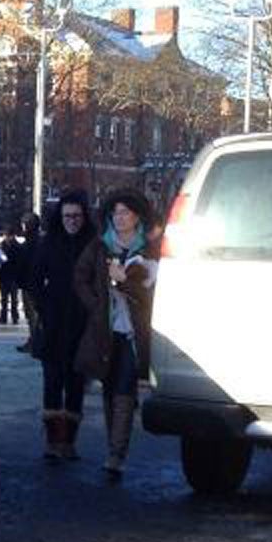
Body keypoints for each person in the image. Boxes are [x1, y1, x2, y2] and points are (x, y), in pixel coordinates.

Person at [73, 190, 159, 481]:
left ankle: (116, 454)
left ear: (136, 217)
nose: (119, 218)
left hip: (133, 333)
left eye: (125, 213)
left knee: (125, 390)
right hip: (104, 332)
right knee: (110, 389)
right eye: (116, 213)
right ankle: (115, 446)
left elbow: (151, 295)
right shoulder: (99, 246)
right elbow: (80, 277)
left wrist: (124, 282)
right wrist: (95, 304)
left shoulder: (148, 252)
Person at [30, 190, 94, 461]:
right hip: (54, 325)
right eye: (68, 216)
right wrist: (45, 308)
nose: (72, 221)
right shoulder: (48, 244)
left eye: (77, 216)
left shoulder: (93, 244)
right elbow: (34, 280)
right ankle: (53, 441)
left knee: (76, 384)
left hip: (82, 325)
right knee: (52, 383)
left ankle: (69, 442)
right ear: (60, 216)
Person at [13, 212, 43, 352]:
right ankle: (35, 340)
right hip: (32, 283)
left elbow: (24, 263)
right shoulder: (37, 241)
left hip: (31, 284)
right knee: (33, 316)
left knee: (33, 316)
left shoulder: (31, 243)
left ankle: (36, 342)